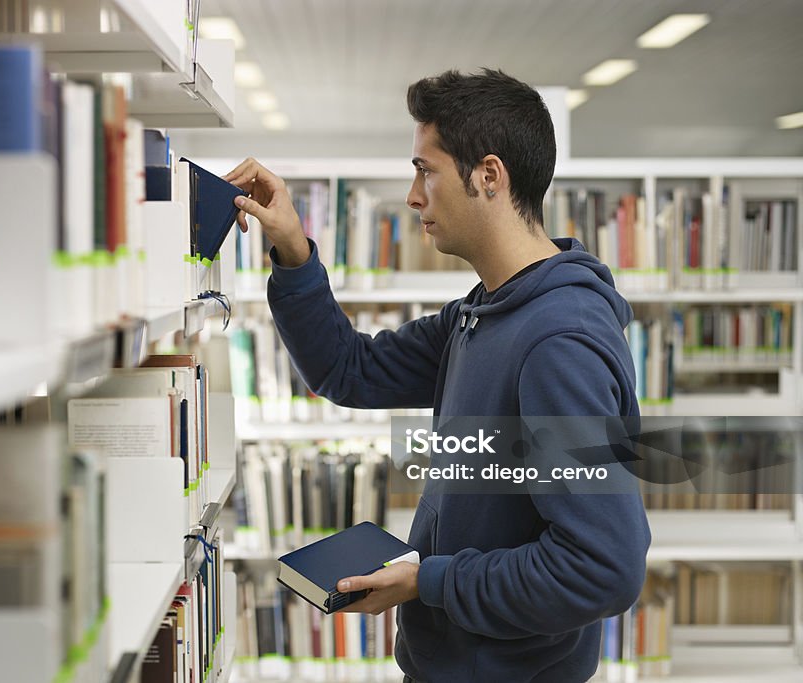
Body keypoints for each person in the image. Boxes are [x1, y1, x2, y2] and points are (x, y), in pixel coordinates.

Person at [225, 68, 650, 683]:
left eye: (426, 170)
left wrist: (430, 579)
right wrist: (292, 249)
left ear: (489, 176)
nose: (413, 195)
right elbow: (351, 369)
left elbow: (601, 568)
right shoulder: (482, 313)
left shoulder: (560, 342)